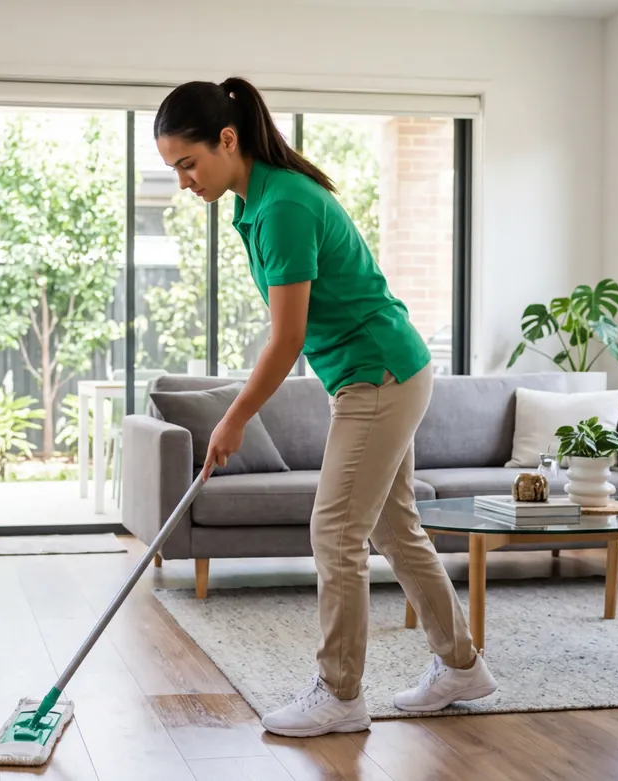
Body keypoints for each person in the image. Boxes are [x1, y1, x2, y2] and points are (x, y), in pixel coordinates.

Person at [153, 77, 497, 737]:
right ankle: (460, 664)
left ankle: (340, 693)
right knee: (395, 528)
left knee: (334, 531)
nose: (185, 181)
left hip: (380, 373)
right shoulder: (253, 203)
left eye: (189, 163)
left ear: (228, 140)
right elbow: (293, 328)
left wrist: (233, 416)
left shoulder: (283, 204)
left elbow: (286, 340)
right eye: (175, 169)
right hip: (375, 371)